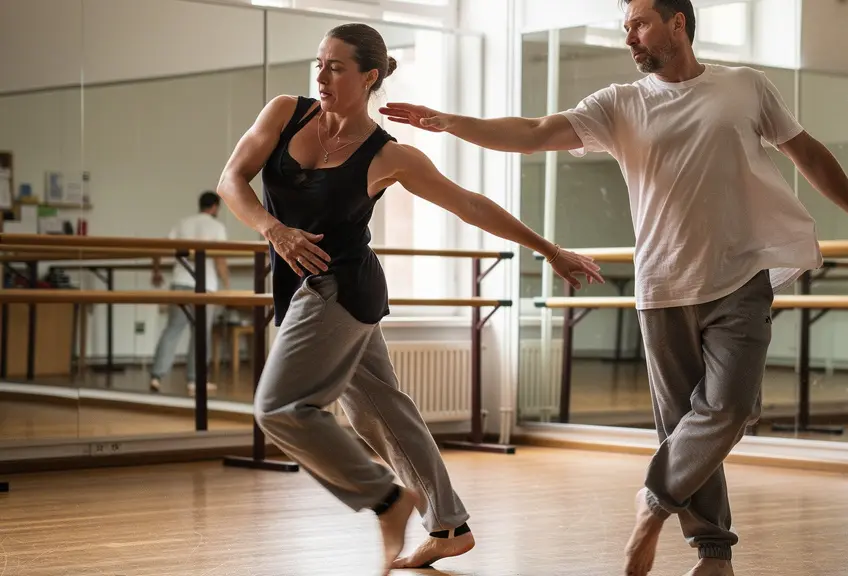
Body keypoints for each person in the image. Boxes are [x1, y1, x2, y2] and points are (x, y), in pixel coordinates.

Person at [380, 1, 848, 574]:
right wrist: (452, 122)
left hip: (740, 278)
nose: (629, 36)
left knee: (729, 409)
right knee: (682, 426)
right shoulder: (619, 103)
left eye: (639, 23)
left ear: (677, 22)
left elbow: (808, 153)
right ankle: (713, 554)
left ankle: (653, 501)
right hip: (663, 286)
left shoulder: (745, 87)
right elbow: (533, 133)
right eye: (625, 26)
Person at [215, 22, 604, 576]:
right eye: (319, 64)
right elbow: (232, 179)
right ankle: (448, 528)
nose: (322, 76)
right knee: (381, 413)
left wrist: (548, 248)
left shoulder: (389, 156)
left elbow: (470, 205)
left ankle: (387, 499)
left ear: (369, 76)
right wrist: (272, 229)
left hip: (341, 287)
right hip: (302, 281)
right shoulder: (285, 112)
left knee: (278, 408)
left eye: (337, 67)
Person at [149, 190, 230, 397]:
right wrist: (227, 285)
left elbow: (160, 247)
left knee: (172, 330)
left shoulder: (183, 223)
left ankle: (156, 376)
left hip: (180, 283)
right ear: (214, 207)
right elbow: (220, 259)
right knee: (200, 334)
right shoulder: (217, 227)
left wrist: (156, 271)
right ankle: (195, 381)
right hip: (206, 286)